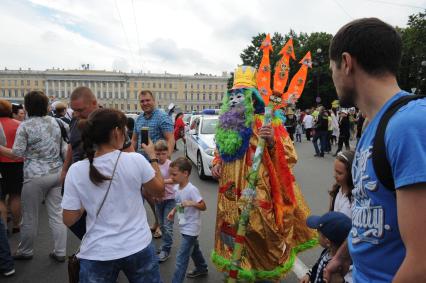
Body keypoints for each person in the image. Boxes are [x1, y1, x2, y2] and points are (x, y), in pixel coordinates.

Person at [325, 18, 426, 282]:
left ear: (346, 63)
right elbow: (370, 208)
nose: (332, 77)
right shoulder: (374, 124)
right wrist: (345, 255)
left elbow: (422, 262)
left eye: (331, 68)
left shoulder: (409, 125)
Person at [211, 66, 316, 281]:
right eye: (232, 94)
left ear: (253, 97)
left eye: (241, 94)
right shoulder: (226, 125)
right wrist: (216, 162)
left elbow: (289, 156)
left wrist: (270, 142)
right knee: (230, 231)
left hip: (257, 190)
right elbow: (220, 151)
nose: (235, 99)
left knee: (261, 233)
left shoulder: (268, 121)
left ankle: (266, 274)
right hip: (229, 194)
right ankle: (240, 272)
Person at [62, 108, 164, 282]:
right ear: (117, 132)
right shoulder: (136, 160)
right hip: (138, 245)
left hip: (97, 251)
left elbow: (69, 218)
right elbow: (158, 190)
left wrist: (88, 203)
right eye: (124, 129)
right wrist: (153, 157)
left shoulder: (76, 170)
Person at [0, 91, 67, 262]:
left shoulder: (26, 126)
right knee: (57, 214)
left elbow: (16, 154)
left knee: (30, 216)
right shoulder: (56, 122)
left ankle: (26, 250)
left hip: (35, 176)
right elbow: (65, 147)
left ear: (27, 106)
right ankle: (60, 251)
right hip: (56, 172)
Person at [131, 90, 174, 238]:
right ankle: (158, 221)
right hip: (141, 163)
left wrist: (165, 161)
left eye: (147, 100)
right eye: (142, 101)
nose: (145, 103)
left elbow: (170, 139)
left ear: (153, 100)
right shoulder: (139, 119)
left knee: (160, 195)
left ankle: (162, 225)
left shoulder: (162, 116)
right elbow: (134, 140)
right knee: (147, 194)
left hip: (156, 163)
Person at [60, 86, 99, 240]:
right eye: (74, 110)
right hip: (77, 176)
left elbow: (125, 151)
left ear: (94, 103)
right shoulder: (76, 120)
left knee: (95, 218)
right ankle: (90, 241)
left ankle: (95, 243)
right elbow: (71, 144)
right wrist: (65, 169)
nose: (75, 114)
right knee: (71, 217)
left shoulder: (107, 120)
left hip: (97, 179)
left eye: (80, 110)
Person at [167, 157, 208, 283]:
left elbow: (203, 206)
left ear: (185, 173)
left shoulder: (191, 189)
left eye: (174, 174)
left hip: (191, 228)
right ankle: (201, 267)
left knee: (181, 258)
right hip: (184, 225)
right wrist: (173, 211)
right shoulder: (176, 188)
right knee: (194, 248)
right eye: (171, 174)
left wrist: (192, 203)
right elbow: (180, 203)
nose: (172, 177)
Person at [300, 211, 352, 283]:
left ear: (327, 242)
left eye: (318, 231)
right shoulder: (327, 251)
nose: (317, 233)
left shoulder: (343, 268)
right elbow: (317, 265)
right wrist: (309, 275)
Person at [0, 100, 24, 234]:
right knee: (16, 195)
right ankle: (16, 225)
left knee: (1, 198)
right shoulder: (19, 125)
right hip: (16, 163)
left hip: (0, 164)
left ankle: (2, 227)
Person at [154, 140, 176, 263]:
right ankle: (164, 246)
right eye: (157, 153)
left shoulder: (170, 164)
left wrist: (162, 181)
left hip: (170, 199)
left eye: (163, 153)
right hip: (158, 199)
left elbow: (175, 179)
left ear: (167, 153)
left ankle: (166, 250)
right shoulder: (153, 164)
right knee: (161, 225)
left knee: (167, 226)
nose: (160, 156)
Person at [329, 151, 354, 218]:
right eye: (335, 170)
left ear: (350, 175)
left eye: (339, 173)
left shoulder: (355, 198)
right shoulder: (335, 191)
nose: (335, 175)